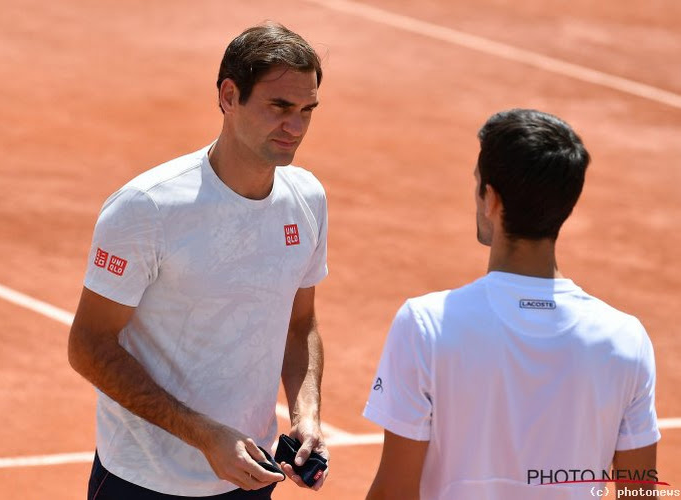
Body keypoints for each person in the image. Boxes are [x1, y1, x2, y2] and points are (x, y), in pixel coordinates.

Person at [68, 22, 329, 499]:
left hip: (249, 478)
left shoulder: (307, 200)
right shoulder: (147, 208)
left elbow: (301, 324)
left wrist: (305, 412)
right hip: (143, 481)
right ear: (229, 96)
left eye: (307, 110)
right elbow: (89, 345)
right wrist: (205, 437)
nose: (296, 126)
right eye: (280, 107)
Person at [364, 109, 660, 500]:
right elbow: (638, 494)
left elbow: (394, 494)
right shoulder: (626, 339)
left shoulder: (425, 325)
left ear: (491, 198)